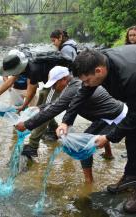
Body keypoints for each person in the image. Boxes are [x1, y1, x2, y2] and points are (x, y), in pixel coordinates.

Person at [56, 45, 136, 213]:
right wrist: (66, 121)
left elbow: (134, 116)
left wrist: (108, 137)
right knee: (132, 139)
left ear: (99, 71)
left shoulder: (129, 77)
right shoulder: (99, 60)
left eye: (86, 80)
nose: (85, 84)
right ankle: (130, 178)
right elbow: (83, 91)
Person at [16, 66, 127, 184]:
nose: (53, 87)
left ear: (64, 79)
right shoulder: (75, 84)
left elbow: (54, 110)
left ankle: (89, 182)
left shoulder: (73, 89)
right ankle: (108, 155)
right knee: (96, 132)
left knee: (83, 146)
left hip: (113, 118)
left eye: (54, 84)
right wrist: (39, 108)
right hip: (110, 114)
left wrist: (26, 125)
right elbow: (57, 103)